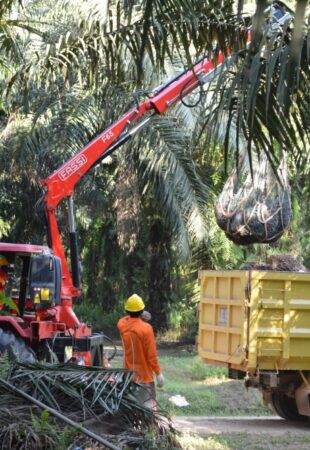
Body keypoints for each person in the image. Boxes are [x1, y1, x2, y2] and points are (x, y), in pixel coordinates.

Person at [117, 293, 164, 411]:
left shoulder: (122, 325)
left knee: (131, 410)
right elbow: (151, 355)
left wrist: (138, 315)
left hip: (128, 376)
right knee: (147, 411)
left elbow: (125, 319)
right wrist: (158, 373)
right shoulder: (146, 329)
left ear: (127, 311)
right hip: (144, 378)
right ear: (142, 310)